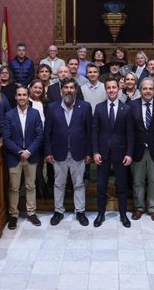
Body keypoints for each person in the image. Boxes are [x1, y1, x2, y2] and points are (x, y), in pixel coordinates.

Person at [44, 78, 92, 226]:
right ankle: (58, 211)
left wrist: (89, 152)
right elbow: (48, 132)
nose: (69, 90)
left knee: (79, 184)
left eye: (72, 88)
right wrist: (48, 152)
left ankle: (80, 211)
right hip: (59, 152)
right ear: (61, 90)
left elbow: (89, 131)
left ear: (76, 90)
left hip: (79, 152)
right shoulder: (52, 107)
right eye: (66, 88)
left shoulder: (85, 106)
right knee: (59, 184)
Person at [92, 78, 134, 228]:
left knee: (122, 187)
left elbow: (130, 134)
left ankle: (123, 215)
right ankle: (100, 214)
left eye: (114, 87)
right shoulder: (99, 108)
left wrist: (129, 153)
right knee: (101, 187)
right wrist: (95, 152)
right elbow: (94, 132)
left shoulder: (127, 109)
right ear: (106, 89)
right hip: (102, 153)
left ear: (118, 89)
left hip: (121, 153)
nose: (111, 90)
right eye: (108, 88)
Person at [3, 86, 44, 229]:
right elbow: (6, 138)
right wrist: (20, 151)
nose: (21, 97)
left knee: (31, 186)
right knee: (14, 188)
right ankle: (13, 214)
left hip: (31, 156)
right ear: (15, 97)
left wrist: (29, 151)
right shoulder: (9, 115)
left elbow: (40, 135)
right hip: (15, 157)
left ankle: (31, 212)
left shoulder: (35, 113)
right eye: (19, 95)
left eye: (24, 95)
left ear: (28, 96)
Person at [129, 78, 154, 222]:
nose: (148, 91)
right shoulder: (132, 106)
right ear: (140, 90)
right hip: (137, 150)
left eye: (150, 89)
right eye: (145, 88)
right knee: (137, 181)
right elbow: (129, 130)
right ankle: (139, 207)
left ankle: (153, 208)